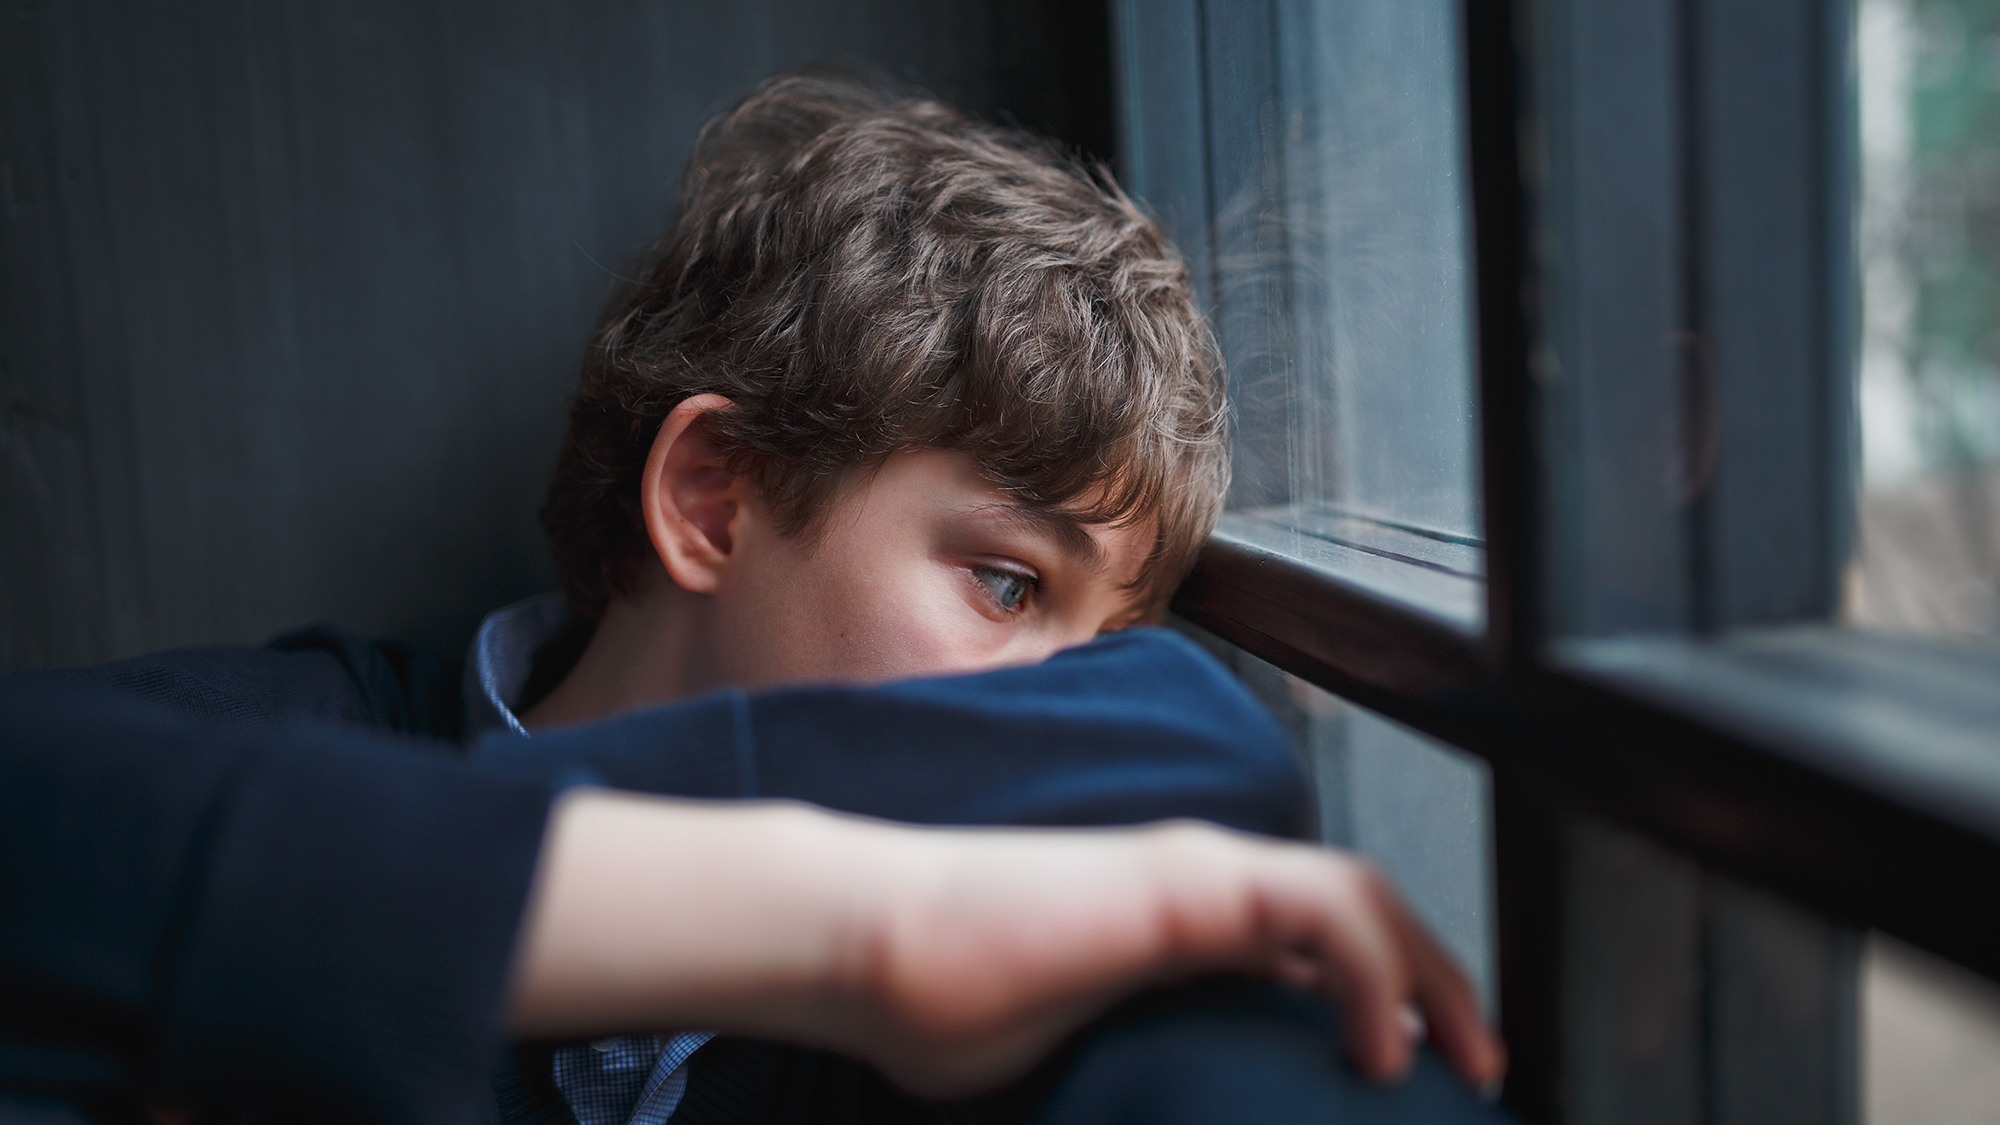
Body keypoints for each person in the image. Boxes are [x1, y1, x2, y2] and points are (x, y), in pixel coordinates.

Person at [0, 72, 1511, 1125]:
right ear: (713, 496)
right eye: (1004, 582)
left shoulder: (1009, 969)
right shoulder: (285, 749)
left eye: (1109, 640)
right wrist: (830, 922)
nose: (1066, 696)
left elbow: (1203, 750)